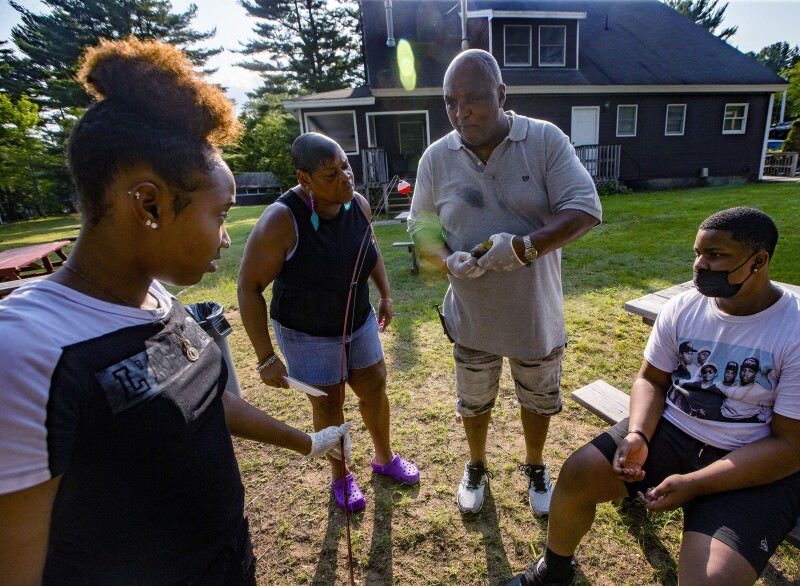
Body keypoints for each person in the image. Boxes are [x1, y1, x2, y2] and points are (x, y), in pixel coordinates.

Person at [0, 38, 354, 585]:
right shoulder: (28, 355)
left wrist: (308, 442)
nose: (223, 240)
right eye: (220, 216)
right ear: (149, 204)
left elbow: (204, 400)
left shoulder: (158, 302)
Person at [507, 207, 800, 585]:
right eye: (697, 252)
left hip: (755, 460)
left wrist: (697, 483)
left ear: (759, 261)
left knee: (710, 579)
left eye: (716, 255)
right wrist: (638, 434)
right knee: (577, 474)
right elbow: (652, 380)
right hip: (673, 430)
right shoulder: (684, 306)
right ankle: (554, 572)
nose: (700, 265)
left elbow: (794, 447)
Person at [408, 49, 602, 517]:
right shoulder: (437, 157)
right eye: (451, 102)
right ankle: (476, 466)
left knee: (537, 399)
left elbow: (586, 209)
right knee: (473, 402)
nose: (462, 112)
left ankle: (535, 466)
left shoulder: (544, 141)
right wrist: (445, 260)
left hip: (534, 314)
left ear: (502, 94)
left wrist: (522, 248)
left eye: (474, 99)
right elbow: (420, 225)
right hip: (471, 317)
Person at [238, 132, 419, 513]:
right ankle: (341, 477)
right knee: (329, 403)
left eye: (346, 167)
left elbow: (370, 253)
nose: (345, 179)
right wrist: (265, 357)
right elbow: (248, 287)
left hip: (359, 322)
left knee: (374, 386)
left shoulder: (359, 205)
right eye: (331, 174)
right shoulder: (281, 220)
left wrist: (384, 295)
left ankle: (384, 459)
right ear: (305, 180)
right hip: (307, 333)